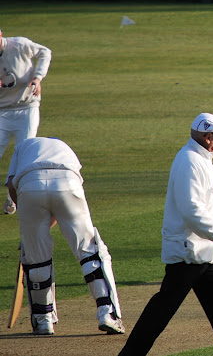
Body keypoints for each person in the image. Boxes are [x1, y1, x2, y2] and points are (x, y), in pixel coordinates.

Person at [119, 113, 213, 356]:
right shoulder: (190, 162)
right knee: (160, 313)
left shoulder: (199, 159)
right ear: (207, 137)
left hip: (206, 253)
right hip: (189, 253)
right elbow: (191, 211)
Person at [5, 137, 125, 335]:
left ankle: (43, 320)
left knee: (37, 258)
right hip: (67, 183)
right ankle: (107, 313)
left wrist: (29, 232)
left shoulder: (21, 148)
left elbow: (12, 185)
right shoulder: (63, 147)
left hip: (30, 186)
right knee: (88, 250)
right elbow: (57, 197)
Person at [1, 28, 52, 215]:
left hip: (27, 107)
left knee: (23, 153)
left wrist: (38, 78)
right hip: (1, 111)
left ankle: (13, 198)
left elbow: (45, 52)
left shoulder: (19, 45)